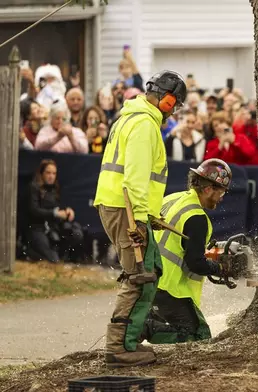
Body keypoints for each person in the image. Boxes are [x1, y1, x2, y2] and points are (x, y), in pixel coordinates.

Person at [93, 70, 187, 368]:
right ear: (168, 100)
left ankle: (127, 341)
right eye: (176, 104)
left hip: (121, 207)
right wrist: (138, 221)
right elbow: (134, 177)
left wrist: (151, 215)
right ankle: (118, 348)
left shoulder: (129, 117)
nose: (175, 111)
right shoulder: (145, 125)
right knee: (138, 277)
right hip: (127, 211)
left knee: (145, 274)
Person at [142, 159, 246, 344]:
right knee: (197, 336)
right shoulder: (197, 217)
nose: (222, 196)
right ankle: (143, 328)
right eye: (221, 191)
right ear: (208, 189)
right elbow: (195, 263)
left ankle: (146, 325)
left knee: (169, 327)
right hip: (171, 288)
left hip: (151, 278)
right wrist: (220, 268)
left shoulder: (173, 198)